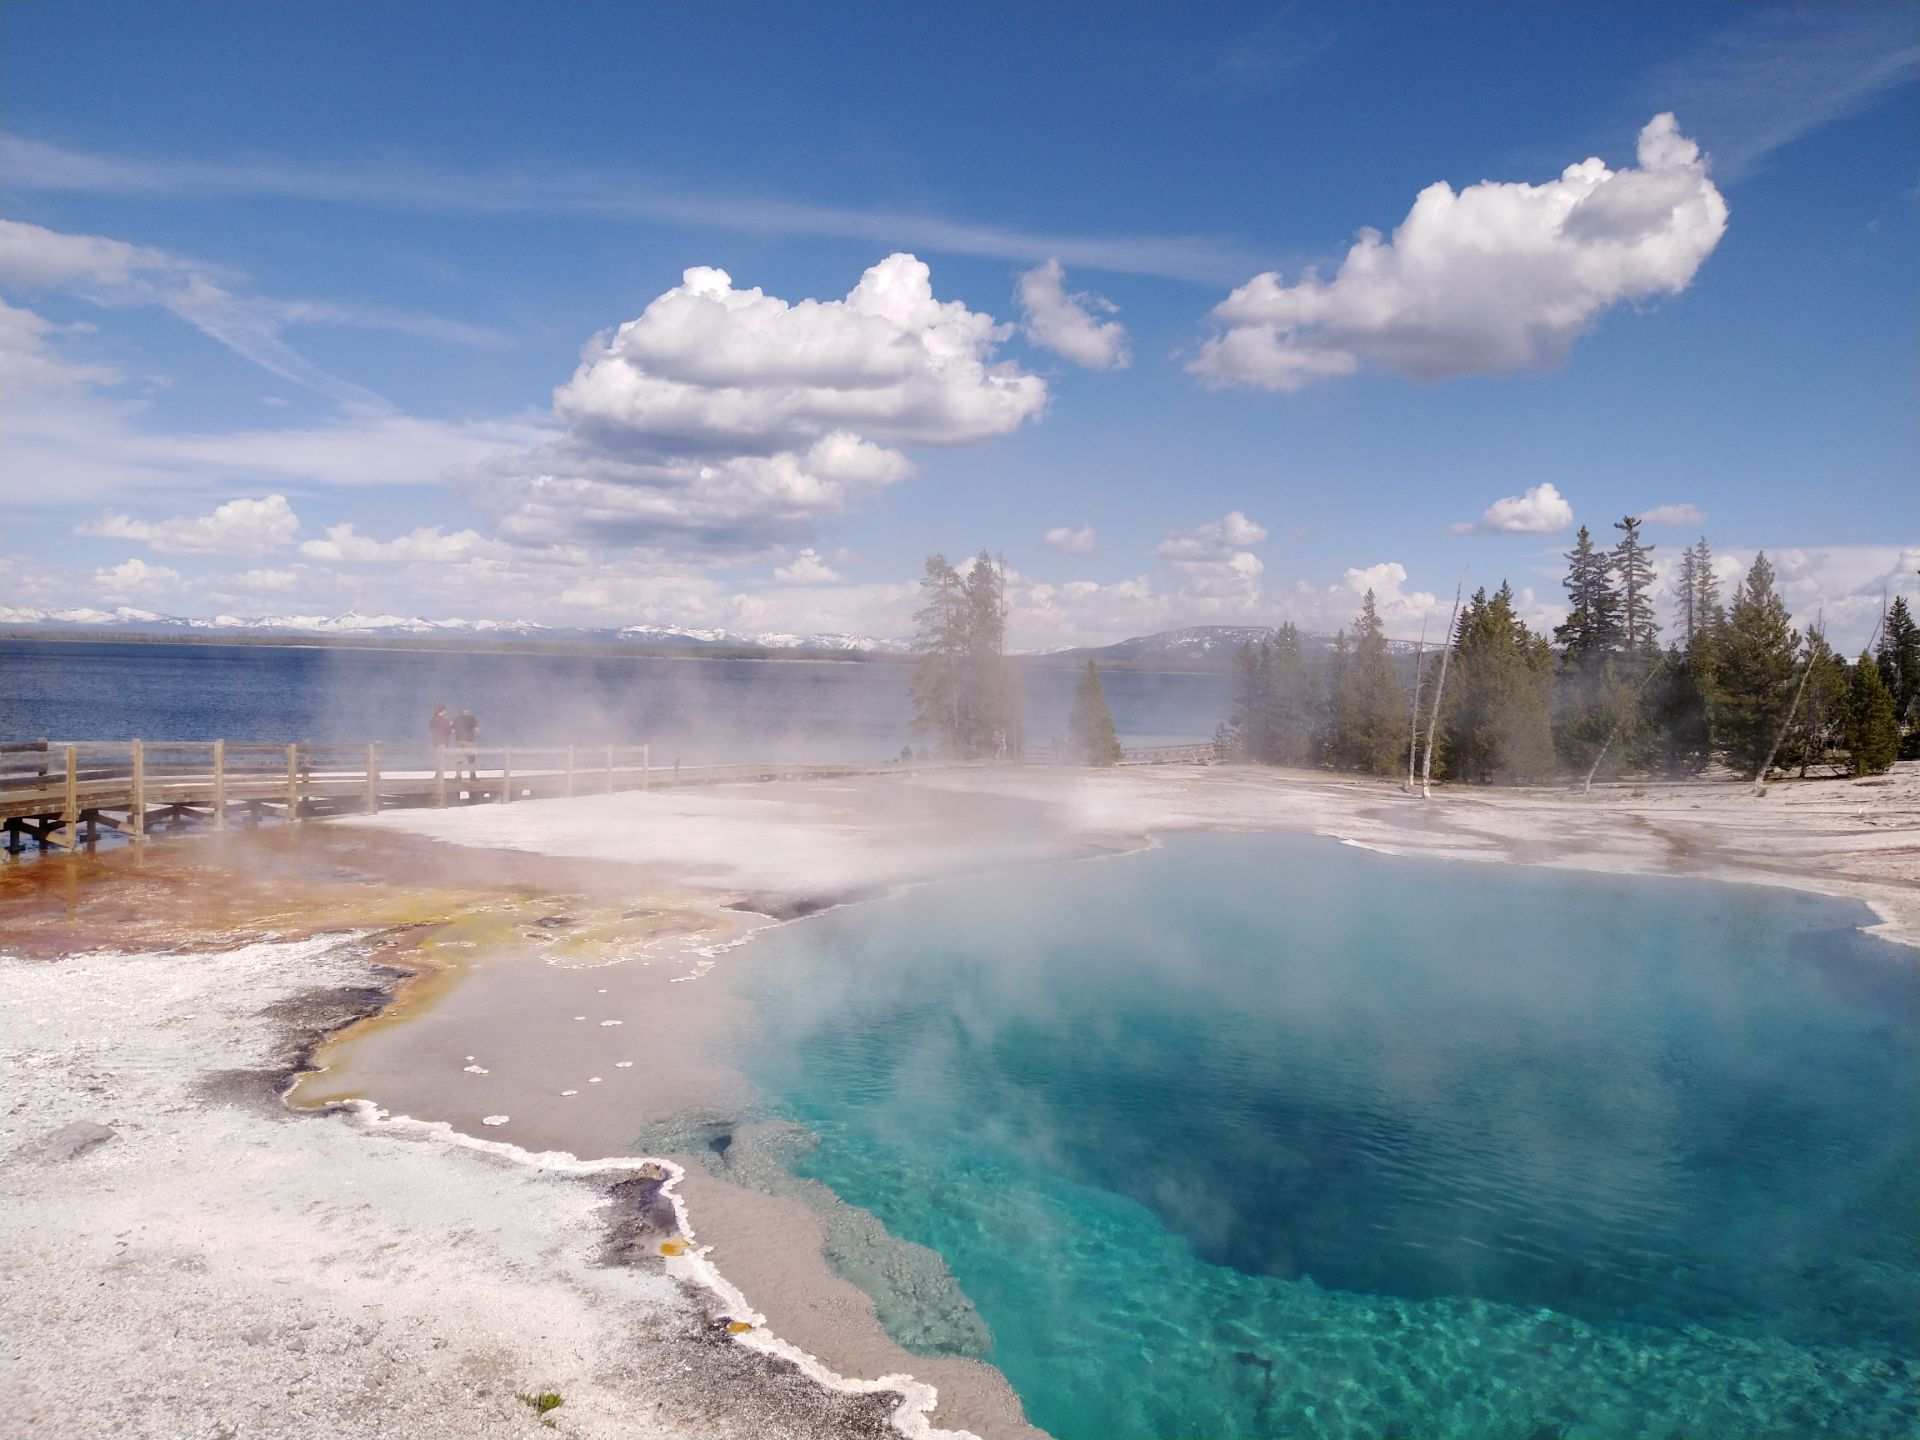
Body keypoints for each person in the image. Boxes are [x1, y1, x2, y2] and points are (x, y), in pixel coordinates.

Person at [452, 707, 479, 783]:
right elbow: (477, 730)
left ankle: (459, 776)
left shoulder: (456, 719)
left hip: (459, 741)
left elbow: (453, 731)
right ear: (468, 711)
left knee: (459, 759)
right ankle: (472, 776)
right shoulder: (472, 718)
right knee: (471, 759)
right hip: (469, 741)